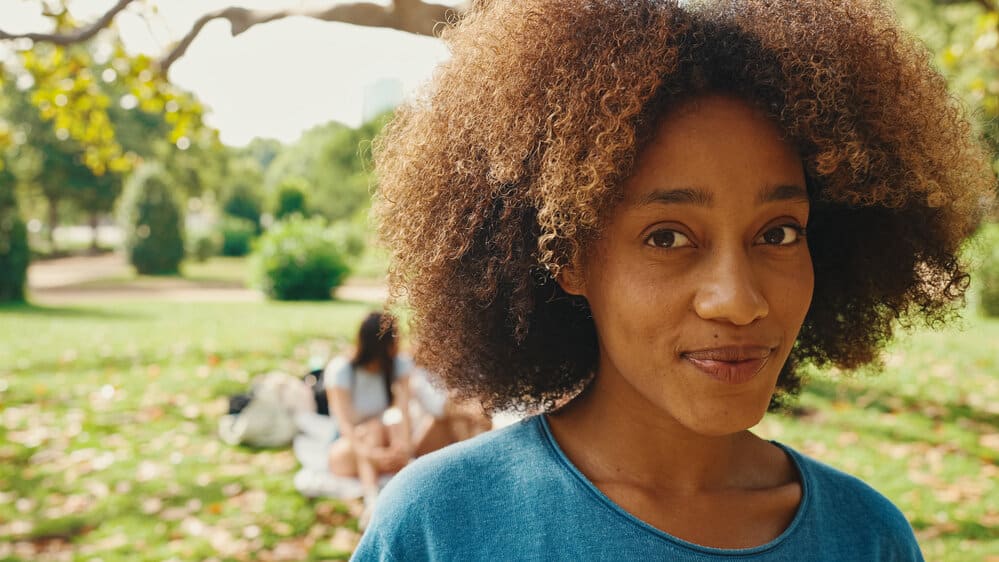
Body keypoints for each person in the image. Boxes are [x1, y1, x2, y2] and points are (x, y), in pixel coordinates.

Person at [356, 0, 995, 560]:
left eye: (779, 233)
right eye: (667, 237)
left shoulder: (866, 537)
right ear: (567, 256)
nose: (739, 301)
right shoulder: (444, 524)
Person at [325, 312, 414, 525]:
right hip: (350, 448)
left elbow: (402, 411)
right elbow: (344, 424)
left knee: (388, 425)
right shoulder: (342, 370)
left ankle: (406, 495)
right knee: (372, 428)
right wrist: (370, 454)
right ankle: (372, 499)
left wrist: (401, 444)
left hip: (383, 443)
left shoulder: (397, 367)